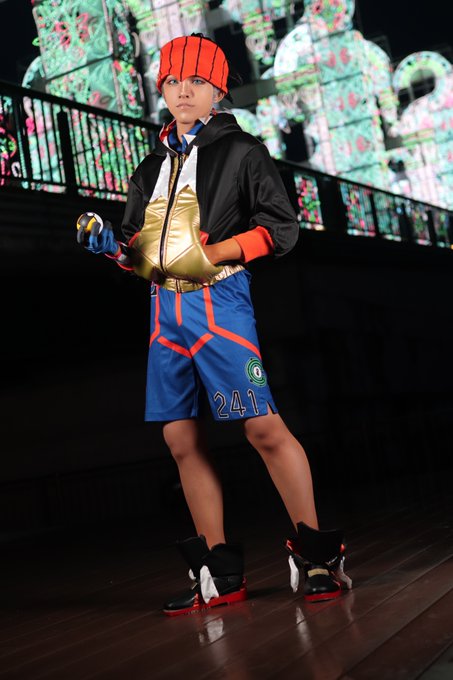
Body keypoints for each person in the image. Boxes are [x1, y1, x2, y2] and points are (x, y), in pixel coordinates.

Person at [77, 33, 352, 616]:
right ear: (162, 89)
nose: (184, 91)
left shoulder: (243, 151)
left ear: (218, 90)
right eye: (174, 81)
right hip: (164, 311)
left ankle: (318, 557)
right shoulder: (149, 167)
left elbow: (281, 229)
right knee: (180, 437)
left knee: (262, 428)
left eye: (197, 81)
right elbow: (137, 253)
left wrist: (218, 250)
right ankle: (219, 572)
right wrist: (110, 247)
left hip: (219, 301)